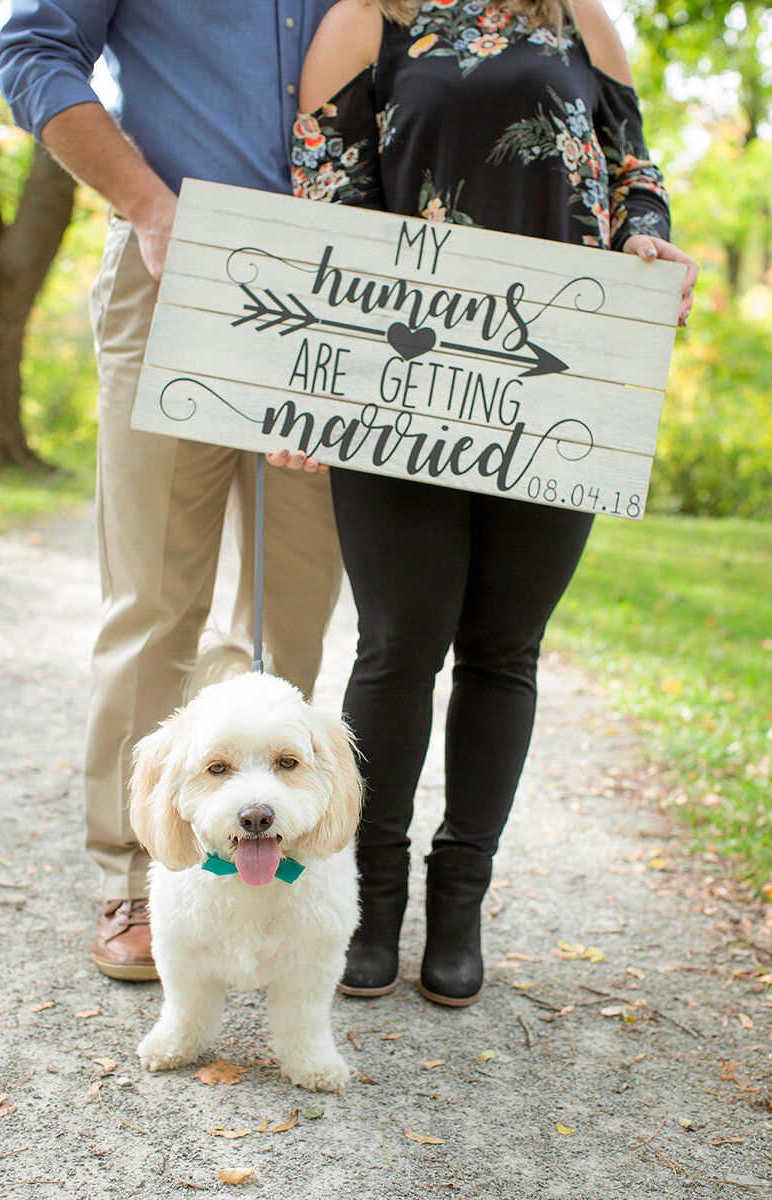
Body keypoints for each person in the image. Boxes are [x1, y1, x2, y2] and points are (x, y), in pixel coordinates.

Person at [277, 0, 698, 1006]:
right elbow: (327, 200)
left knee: (504, 653)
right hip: (400, 381)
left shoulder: (582, 20)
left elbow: (634, 174)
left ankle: (457, 905)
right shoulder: (361, 22)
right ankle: (369, 906)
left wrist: (647, 239)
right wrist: (309, 382)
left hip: (563, 381)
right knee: (395, 646)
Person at [0, 1, 343, 981]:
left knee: (295, 604)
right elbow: (31, 48)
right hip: (170, 270)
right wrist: (150, 205)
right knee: (153, 600)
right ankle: (133, 875)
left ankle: (251, 863)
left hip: (334, 303)